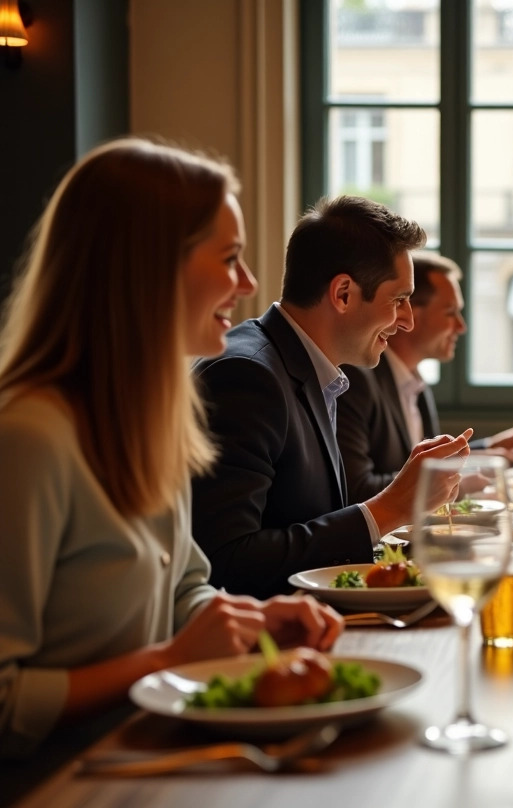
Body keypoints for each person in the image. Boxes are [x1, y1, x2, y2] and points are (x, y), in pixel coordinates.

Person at [0, 139, 342, 759]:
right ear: (148, 268)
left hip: (154, 760)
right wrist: (169, 659)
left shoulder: (153, 418)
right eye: (230, 258)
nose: (248, 283)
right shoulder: (28, 438)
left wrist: (256, 619)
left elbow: (185, 589)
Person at [192, 196, 471, 599]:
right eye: (398, 300)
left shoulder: (312, 369)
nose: (407, 319)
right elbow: (226, 566)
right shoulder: (247, 376)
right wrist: (390, 508)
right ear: (343, 294)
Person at [337, 252, 513, 502]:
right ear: (409, 311)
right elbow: (355, 490)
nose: (461, 326)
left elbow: (419, 463)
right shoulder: (355, 380)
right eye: (450, 312)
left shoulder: (414, 381)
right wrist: (462, 477)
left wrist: (485, 448)